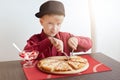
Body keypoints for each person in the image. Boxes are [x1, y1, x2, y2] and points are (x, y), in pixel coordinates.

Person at [23, 0, 92, 59]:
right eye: (50, 23)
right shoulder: (35, 39)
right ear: (41, 22)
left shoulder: (66, 37)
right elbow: (26, 54)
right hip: (41, 73)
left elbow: (89, 44)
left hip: (65, 72)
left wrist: (77, 40)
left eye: (58, 24)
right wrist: (49, 41)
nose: (54, 29)